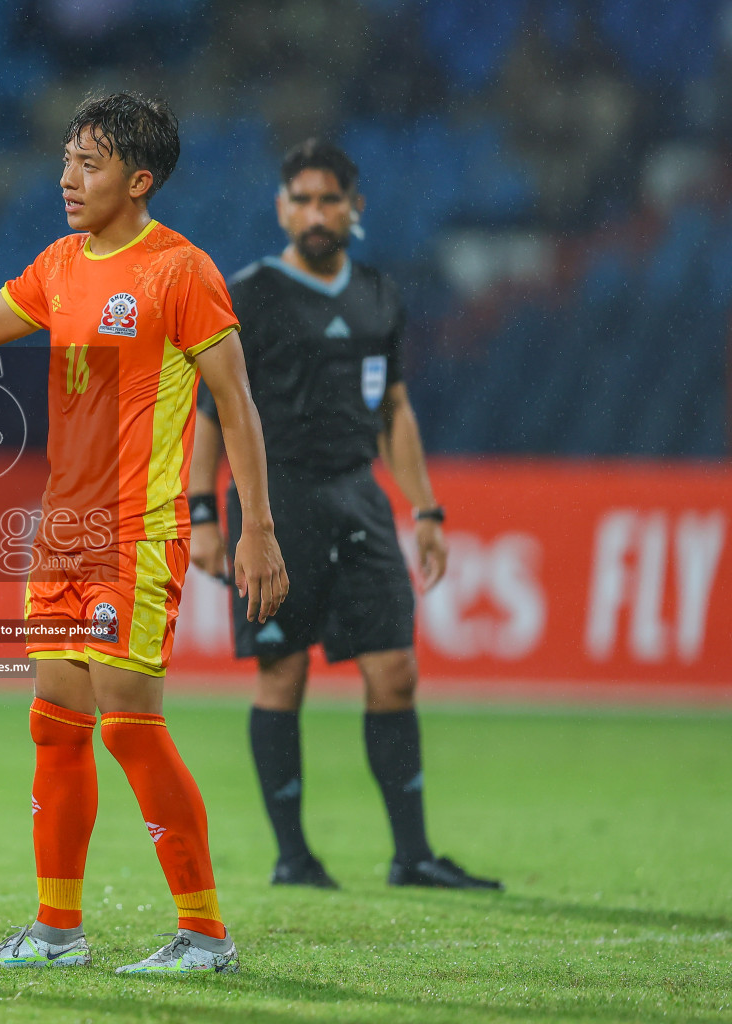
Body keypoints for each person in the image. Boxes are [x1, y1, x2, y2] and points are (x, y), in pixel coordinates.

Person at [0, 92, 288, 975]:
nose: (69, 178)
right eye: (68, 158)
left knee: (130, 727)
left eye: (91, 163)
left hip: (138, 530)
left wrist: (253, 524)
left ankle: (205, 935)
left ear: (139, 179)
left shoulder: (181, 272)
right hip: (61, 536)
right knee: (56, 727)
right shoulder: (61, 264)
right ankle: (56, 933)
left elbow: (238, 404)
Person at [188, 138, 501, 892]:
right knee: (281, 673)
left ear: (355, 209)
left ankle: (412, 856)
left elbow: (393, 409)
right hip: (276, 498)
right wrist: (203, 514)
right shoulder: (250, 293)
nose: (315, 213)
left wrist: (426, 507)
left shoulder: (379, 296)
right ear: (281, 208)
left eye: (330, 199)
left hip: (358, 495)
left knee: (394, 671)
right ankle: (293, 858)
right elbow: (212, 410)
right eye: (301, 199)